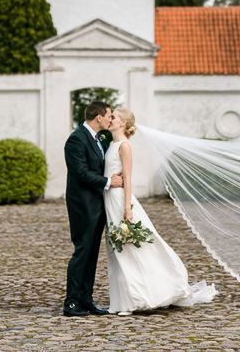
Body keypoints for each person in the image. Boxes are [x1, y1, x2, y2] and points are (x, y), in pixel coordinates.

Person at [104, 107, 217, 315]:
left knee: (131, 248)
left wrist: (127, 208)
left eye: (114, 117)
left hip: (120, 200)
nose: (109, 119)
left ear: (123, 123)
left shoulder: (125, 146)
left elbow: (128, 178)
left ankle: (137, 299)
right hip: (109, 200)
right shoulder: (110, 144)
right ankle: (123, 300)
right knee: (117, 250)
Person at [63, 100, 124, 316]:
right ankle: (71, 302)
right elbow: (80, 172)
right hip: (82, 205)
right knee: (82, 252)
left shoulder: (99, 139)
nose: (110, 119)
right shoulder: (76, 139)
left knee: (91, 253)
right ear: (99, 117)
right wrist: (109, 181)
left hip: (98, 205)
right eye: (108, 115)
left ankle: (86, 299)